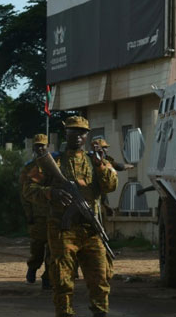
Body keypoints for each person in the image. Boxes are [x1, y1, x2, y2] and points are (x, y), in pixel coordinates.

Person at [38, 116, 118, 317]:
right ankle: (65, 313)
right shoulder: (54, 160)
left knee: (100, 277)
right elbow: (29, 188)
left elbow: (110, 186)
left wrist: (101, 165)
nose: (78, 136)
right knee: (62, 279)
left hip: (91, 230)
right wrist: (51, 193)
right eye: (73, 131)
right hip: (63, 229)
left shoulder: (95, 161)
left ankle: (100, 312)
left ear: (87, 135)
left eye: (82, 132)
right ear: (66, 133)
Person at [19, 133, 52, 290]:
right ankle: (32, 269)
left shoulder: (54, 166)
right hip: (37, 215)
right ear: (33, 148)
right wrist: (29, 214)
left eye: (42, 146)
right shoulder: (29, 168)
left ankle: (48, 278)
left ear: (47, 147)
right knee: (37, 247)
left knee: (53, 249)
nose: (40, 149)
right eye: (37, 146)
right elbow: (24, 195)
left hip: (54, 215)